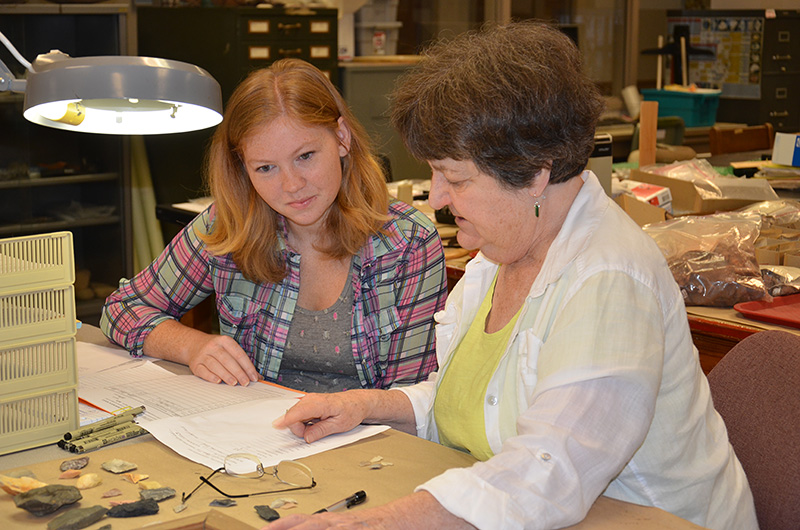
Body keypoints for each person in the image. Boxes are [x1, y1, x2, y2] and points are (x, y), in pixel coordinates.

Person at [270, 22, 758, 530]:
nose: (435, 197)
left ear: (535, 172)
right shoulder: (501, 253)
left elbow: (549, 470)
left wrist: (367, 525)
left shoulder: (609, 279)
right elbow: (473, 404)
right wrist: (364, 406)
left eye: (455, 178)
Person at [100, 59, 448, 392]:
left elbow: (411, 399)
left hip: (369, 443)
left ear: (341, 138)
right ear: (243, 168)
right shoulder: (229, 224)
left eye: (305, 156)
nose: (292, 185)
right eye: (266, 168)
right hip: (254, 438)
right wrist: (190, 346)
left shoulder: (408, 242)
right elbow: (121, 308)